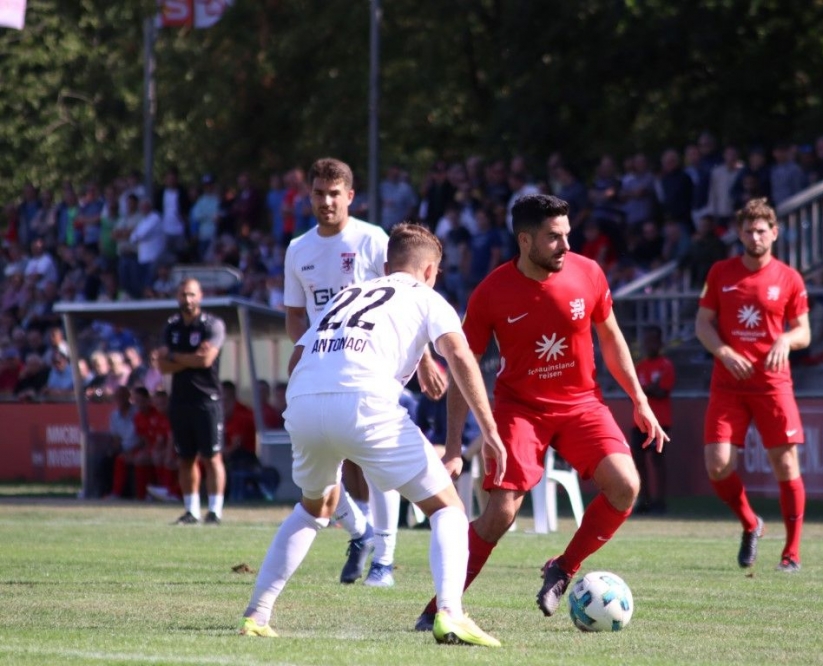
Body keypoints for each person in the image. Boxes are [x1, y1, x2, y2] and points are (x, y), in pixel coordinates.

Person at [239, 223, 507, 646]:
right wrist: (489, 429)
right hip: (364, 402)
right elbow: (459, 354)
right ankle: (451, 614)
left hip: (304, 400)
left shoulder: (347, 294)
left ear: (385, 267)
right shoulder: (427, 297)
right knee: (447, 508)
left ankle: (257, 613)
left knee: (314, 508)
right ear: (431, 271)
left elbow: (297, 356)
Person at [413, 194, 667, 630]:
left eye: (567, 234)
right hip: (521, 411)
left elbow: (611, 338)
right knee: (500, 515)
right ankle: (439, 609)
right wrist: (454, 447)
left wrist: (640, 400)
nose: (565, 245)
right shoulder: (491, 292)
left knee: (626, 485)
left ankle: (563, 569)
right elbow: (462, 367)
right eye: (554, 237)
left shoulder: (588, 273)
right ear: (525, 240)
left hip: (582, 405)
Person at [282, 157, 447, 587]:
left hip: (374, 365)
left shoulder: (372, 240)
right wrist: (304, 352)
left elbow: (405, 298)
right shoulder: (298, 249)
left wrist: (425, 360)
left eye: (334, 194)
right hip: (324, 363)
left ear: (350, 196)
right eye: (319, 193)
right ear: (309, 196)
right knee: (321, 464)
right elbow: (296, 314)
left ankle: (384, 561)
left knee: (377, 461)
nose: (326, 201)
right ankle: (360, 531)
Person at [694, 197, 810, 573]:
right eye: (748, 231)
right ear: (739, 234)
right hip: (728, 386)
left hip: (773, 385)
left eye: (761, 230)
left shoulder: (789, 278)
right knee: (717, 465)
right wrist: (724, 351)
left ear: (774, 233)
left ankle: (791, 554)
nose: (755, 237)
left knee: (785, 464)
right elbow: (702, 324)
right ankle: (751, 523)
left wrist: (786, 339)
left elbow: (804, 332)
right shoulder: (721, 272)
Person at [156, 278, 227, 525]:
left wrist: (174, 356)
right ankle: (191, 511)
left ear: (201, 296)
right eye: (183, 294)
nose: (188, 299)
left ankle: (215, 511)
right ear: (177, 296)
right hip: (180, 400)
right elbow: (162, 366)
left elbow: (205, 361)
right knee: (185, 458)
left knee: (212, 457)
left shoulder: (212, 325)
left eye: (192, 294)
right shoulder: (171, 326)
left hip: (207, 400)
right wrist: (189, 359)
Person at [632, 327, 674, 515]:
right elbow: (633, 393)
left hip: (660, 421)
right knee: (639, 460)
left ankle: (660, 501)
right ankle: (645, 499)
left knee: (658, 460)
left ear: (660, 343)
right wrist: (648, 389)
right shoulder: (639, 366)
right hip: (639, 422)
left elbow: (662, 391)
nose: (649, 345)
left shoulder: (666, 365)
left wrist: (644, 391)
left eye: (653, 341)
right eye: (647, 341)